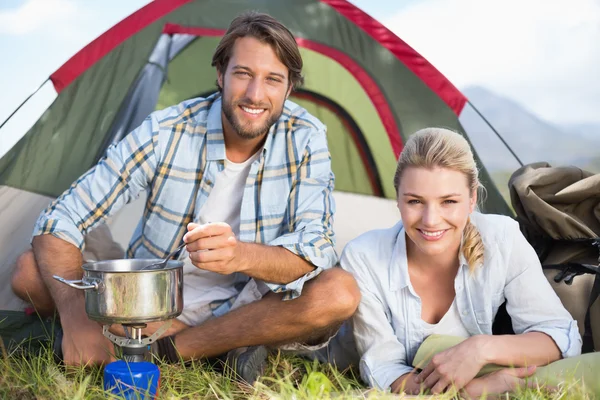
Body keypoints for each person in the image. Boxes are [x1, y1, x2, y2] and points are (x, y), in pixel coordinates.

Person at [10, 11, 360, 382]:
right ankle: (220, 346)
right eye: (243, 74)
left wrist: (239, 255)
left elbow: (315, 248)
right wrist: (76, 316)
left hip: (250, 304)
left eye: (273, 79)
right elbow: (60, 218)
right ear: (221, 74)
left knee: (339, 292)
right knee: (29, 272)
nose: (256, 95)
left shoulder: (305, 136)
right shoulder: (166, 130)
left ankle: (169, 350)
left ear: (288, 89)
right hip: (150, 301)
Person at [340, 127, 582, 397]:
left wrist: (481, 348)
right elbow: (384, 369)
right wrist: (475, 391)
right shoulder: (363, 257)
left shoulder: (502, 238)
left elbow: (559, 333)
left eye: (448, 201)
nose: (431, 220)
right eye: (415, 201)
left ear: (471, 200)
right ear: (398, 199)